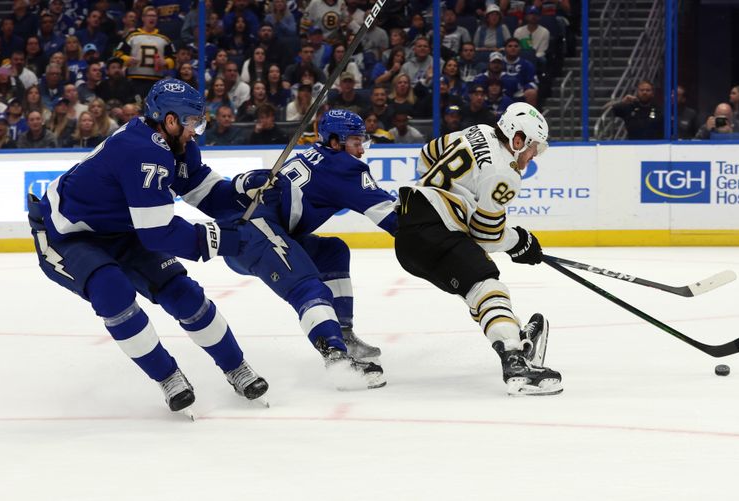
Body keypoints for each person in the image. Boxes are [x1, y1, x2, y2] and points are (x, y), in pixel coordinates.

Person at [26, 79, 269, 414]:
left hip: (123, 230)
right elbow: (158, 233)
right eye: (192, 122)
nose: (196, 130)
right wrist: (225, 241)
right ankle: (167, 376)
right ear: (170, 120)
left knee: (183, 293)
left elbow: (207, 193)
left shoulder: (176, 145)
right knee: (111, 290)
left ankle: (235, 367)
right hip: (66, 235)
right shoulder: (144, 151)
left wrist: (243, 190)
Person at [394, 102, 561, 396]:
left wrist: (436, 193)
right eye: (533, 147)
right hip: (436, 231)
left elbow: (427, 154)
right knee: (486, 285)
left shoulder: (478, 130)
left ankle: (514, 334)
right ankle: (514, 359)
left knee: (476, 289)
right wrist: (520, 242)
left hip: (408, 235)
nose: (533, 156)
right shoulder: (505, 174)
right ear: (517, 139)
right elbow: (486, 235)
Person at [223, 109, 395, 390]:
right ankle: (339, 361)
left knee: (332, 252)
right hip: (256, 236)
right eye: (355, 141)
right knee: (309, 288)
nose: (361, 150)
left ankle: (343, 335)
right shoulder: (344, 167)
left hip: (246, 235)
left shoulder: (311, 154)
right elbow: (393, 219)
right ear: (336, 142)